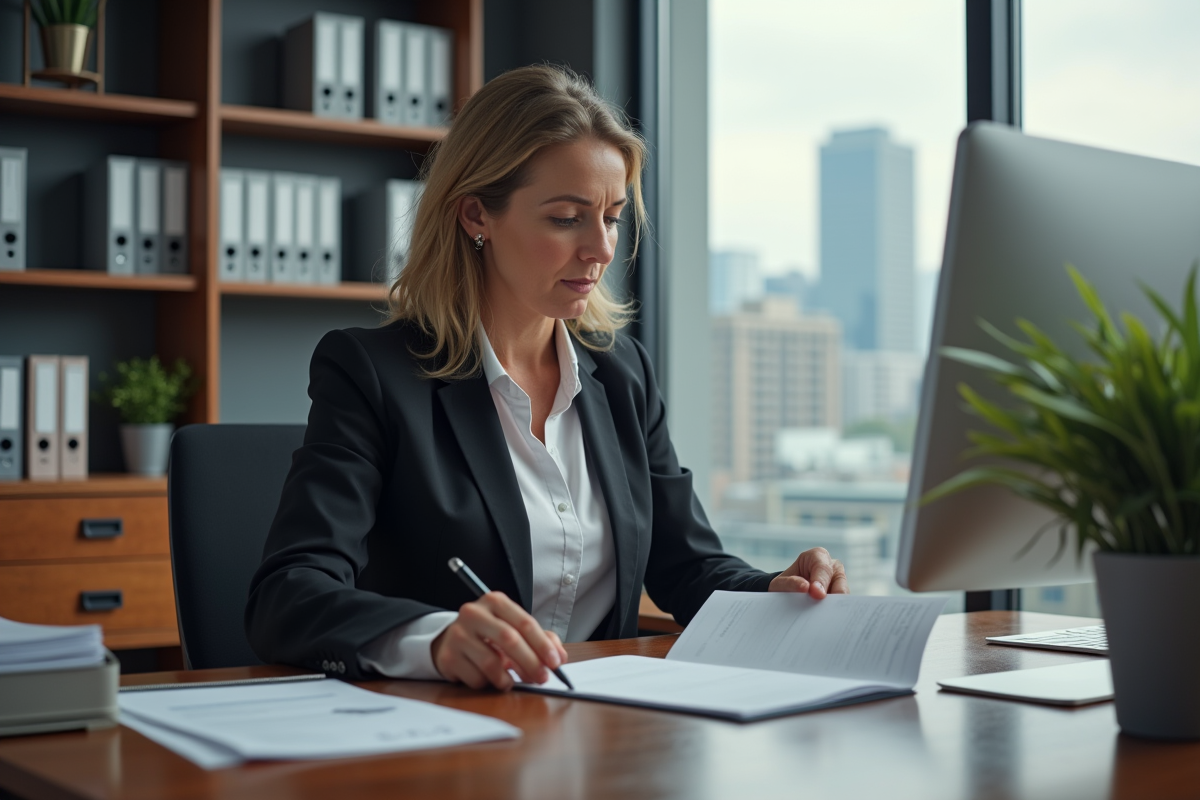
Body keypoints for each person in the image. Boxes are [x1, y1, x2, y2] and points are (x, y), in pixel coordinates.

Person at [245, 65, 848, 691]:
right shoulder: (372, 373)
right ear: (477, 214)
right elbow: (288, 594)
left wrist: (777, 591)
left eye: (612, 217)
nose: (602, 249)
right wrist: (435, 638)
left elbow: (688, 566)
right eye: (567, 218)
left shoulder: (623, 375)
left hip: (608, 728)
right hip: (450, 731)